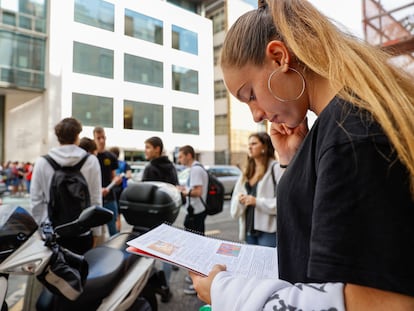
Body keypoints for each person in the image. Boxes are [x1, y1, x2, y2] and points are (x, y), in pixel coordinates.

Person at [190, 0, 414, 310]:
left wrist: (225, 291)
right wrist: (294, 161)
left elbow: (382, 302)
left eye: (251, 95)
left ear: (279, 57)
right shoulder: (340, 125)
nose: (256, 115)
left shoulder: (350, 135)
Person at [31, 117, 102, 254]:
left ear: (58, 138)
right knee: (83, 272)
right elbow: (95, 199)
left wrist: (43, 230)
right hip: (83, 232)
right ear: (78, 136)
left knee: (55, 273)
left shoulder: (42, 162)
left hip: (54, 233)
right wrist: (96, 231)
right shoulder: (91, 161)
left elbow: (36, 201)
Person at [141, 136, 178, 302]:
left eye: (148, 147)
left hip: (151, 218)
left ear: (157, 149)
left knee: (150, 254)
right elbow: (175, 190)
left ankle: (150, 286)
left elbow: (144, 194)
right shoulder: (170, 166)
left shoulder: (150, 168)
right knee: (166, 254)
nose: (145, 151)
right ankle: (166, 286)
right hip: (168, 215)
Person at [230, 132, 282, 247]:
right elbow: (235, 198)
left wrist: (256, 201)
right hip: (248, 230)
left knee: (267, 264)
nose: (249, 147)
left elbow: (283, 203)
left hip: (268, 232)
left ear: (264, 147)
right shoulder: (247, 172)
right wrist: (241, 199)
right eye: (249, 144)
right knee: (252, 264)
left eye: (254, 143)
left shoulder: (276, 168)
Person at [178, 145, 208, 295]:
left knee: (195, 249)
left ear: (189, 155)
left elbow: (197, 191)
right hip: (197, 212)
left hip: (195, 213)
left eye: (181, 156)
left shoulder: (196, 169)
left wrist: (184, 191)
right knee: (197, 246)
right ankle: (196, 279)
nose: (179, 159)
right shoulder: (198, 168)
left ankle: (198, 283)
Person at [93, 126, 121, 237]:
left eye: (103, 138)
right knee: (96, 231)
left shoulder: (111, 156)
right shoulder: (90, 157)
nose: (102, 141)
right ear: (94, 139)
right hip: (94, 199)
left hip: (109, 197)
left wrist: (116, 180)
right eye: (98, 138)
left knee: (113, 229)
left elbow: (114, 176)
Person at [109, 146, 132, 232]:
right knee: (117, 215)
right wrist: (122, 177)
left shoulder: (109, 164)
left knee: (114, 215)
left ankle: (115, 234)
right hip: (121, 191)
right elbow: (129, 175)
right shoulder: (124, 164)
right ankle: (117, 233)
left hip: (111, 191)